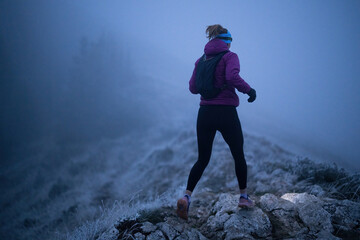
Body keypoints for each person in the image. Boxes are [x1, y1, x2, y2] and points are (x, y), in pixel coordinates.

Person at [176, 24, 257, 220]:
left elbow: (193, 88)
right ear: (227, 41)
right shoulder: (230, 56)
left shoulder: (200, 60)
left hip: (204, 113)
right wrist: (249, 90)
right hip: (226, 112)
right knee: (238, 155)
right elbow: (232, 76)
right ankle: (244, 197)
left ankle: (186, 197)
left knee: (202, 158)